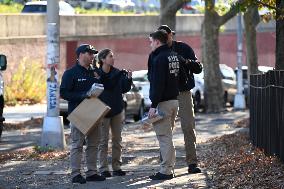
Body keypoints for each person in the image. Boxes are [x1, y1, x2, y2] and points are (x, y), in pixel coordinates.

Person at [157, 25, 203, 174]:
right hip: (166, 96)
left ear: (171, 35)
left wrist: (186, 62)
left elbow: (198, 68)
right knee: (165, 130)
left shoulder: (184, 48)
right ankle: (165, 165)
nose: (163, 38)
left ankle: (192, 163)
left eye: (165, 35)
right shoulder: (157, 52)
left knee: (188, 127)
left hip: (183, 93)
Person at [60, 44, 106, 184]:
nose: (92, 56)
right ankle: (75, 174)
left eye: (93, 54)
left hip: (94, 112)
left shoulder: (95, 72)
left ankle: (91, 172)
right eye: (90, 53)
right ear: (80, 55)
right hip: (78, 113)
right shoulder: (70, 73)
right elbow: (64, 93)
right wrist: (84, 95)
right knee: (77, 144)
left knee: (93, 144)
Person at [147, 30, 180, 180]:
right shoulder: (173, 55)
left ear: (157, 42)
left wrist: (153, 105)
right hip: (174, 100)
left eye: (151, 42)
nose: (150, 45)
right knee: (168, 136)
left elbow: (158, 84)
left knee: (164, 137)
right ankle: (169, 167)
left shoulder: (159, 58)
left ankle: (166, 170)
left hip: (163, 103)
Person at [97, 48, 132, 177]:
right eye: (110, 56)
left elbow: (124, 88)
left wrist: (128, 78)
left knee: (117, 140)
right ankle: (103, 169)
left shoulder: (117, 72)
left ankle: (117, 167)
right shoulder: (97, 74)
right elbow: (104, 85)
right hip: (102, 112)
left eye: (113, 56)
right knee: (103, 141)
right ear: (102, 59)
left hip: (117, 110)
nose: (113, 58)